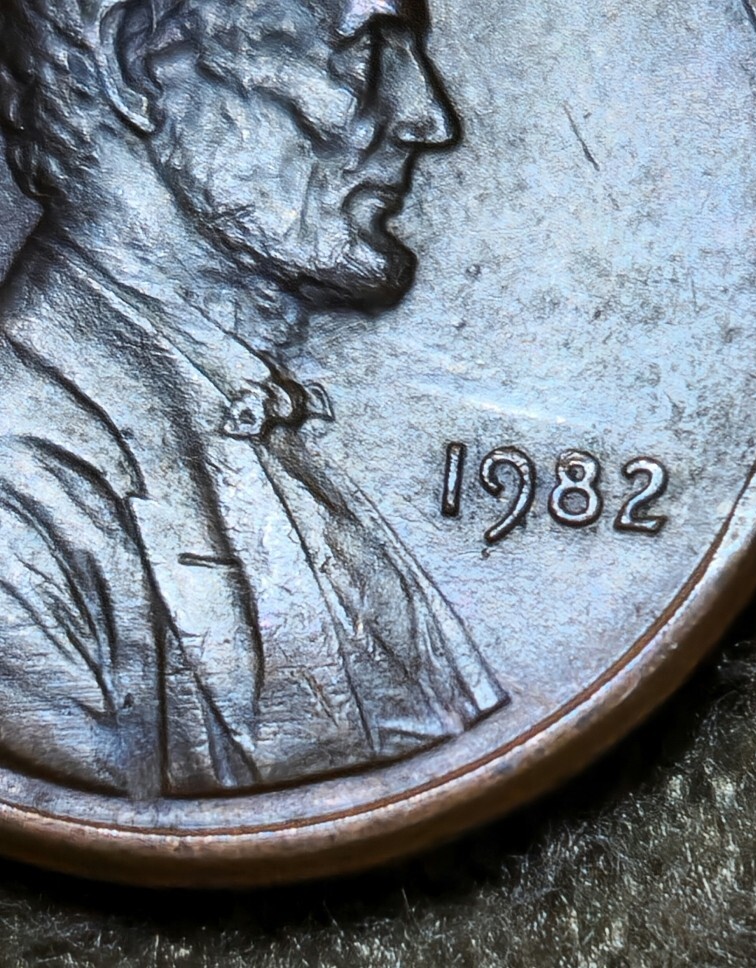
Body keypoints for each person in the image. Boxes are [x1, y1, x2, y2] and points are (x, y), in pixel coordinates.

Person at [0, 0, 507, 798]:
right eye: (367, 48)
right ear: (142, 59)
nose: (427, 117)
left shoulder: (256, 421)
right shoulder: (20, 497)